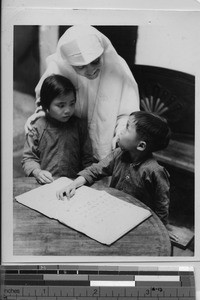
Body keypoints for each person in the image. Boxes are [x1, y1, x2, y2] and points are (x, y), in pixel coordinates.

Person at [25, 25, 140, 161]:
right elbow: (46, 101)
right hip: (67, 142)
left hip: (106, 143)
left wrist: (121, 134)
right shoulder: (59, 68)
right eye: (81, 67)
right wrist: (41, 114)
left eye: (96, 61)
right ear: (69, 63)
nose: (91, 71)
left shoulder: (117, 67)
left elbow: (127, 114)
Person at [57, 111, 171, 226]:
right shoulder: (118, 154)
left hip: (139, 223)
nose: (121, 131)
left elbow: (162, 206)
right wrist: (73, 184)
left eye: (127, 128)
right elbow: (95, 170)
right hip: (113, 214)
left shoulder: (154, 171)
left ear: (141, 145)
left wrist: (160, 230)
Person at [22, 74, 94, 184]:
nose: (68, 110)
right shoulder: (37, 128)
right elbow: (29, 158)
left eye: (72, 104)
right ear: (46, 105)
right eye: (61, 105)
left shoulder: (79, 126)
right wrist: (37, 172)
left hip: (73, 185)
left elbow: (87, 159)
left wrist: (83, 179)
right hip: (45, 184)